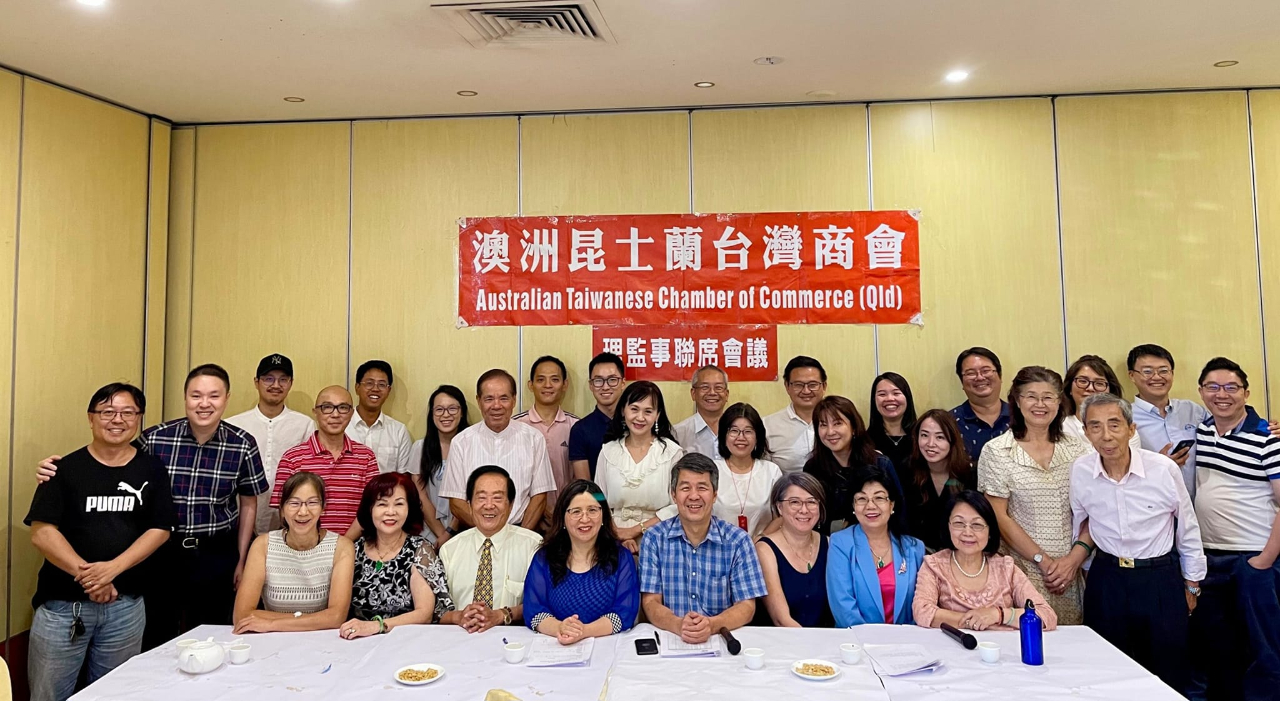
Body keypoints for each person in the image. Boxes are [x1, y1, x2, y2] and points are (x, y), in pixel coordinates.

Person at [38, 364, 269, 648]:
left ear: (226, 398)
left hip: (216, 551)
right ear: (185, 397)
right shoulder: (155, 437)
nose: (204, 404)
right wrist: (55, 469)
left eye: (214, 396)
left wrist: (242, 559)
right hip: (161, 550)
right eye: (196, 395)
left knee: (213, 633)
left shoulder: (242, 443)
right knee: (157, 633)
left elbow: (248, 503)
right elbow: (113, 460)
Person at [26, 383, 174, 701]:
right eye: (107, 412)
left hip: (126, 608)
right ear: (91, 418)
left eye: (127, 412)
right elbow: (42, 532)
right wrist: (92, 577)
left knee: (115, 694)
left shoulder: (153, 469)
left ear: (139, 418)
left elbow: (160, 528)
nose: (117, 419)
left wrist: (112, 570)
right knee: (48, 695)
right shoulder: (62, 470)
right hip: (63, 608)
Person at [1069, 394, 1204, 691]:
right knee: (1108, 669)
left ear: (1131, 429)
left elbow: (1187, 527)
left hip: (1158, 578)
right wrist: (1089, 574)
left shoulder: (1162, 468)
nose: (1106, 435)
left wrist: (1192, 583)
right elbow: (1080, 523)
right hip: (1107, 579)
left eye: (1114, 424)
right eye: (1095, 426)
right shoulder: (1081, 470)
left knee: (1168, 669)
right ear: (1086, 432)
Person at [1189, 357, 1280, 701]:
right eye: (1212, 387)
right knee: (1220, 649)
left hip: (1253, 559)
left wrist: (1264, 560)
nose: (1221, 394)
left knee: (1264, 650)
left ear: (1246, 392)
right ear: (1201, 392)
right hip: (1210, 559)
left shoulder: (1268, 437)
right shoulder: (1203, 430)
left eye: (1231, 387)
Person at [977, 366, 1091, 625]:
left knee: (1073, 642)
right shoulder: (997, 451)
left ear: (1059, 401)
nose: (1040, 404)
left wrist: (1073, 560)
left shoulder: (1079, 451)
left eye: (1048, 397)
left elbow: (1094, 511)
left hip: (1071, 572)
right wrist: (1043, 561)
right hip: (1020, 571)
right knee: (1027, 638)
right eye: (1031, 396)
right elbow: (999, 516)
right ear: (1017, 401)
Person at [640, 454, 767, 643]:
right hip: (671, 638)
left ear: (715, 495)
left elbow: (747, 606)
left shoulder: (738, 541)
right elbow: (650, 602)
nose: (694, 496)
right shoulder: (654, 538)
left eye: (702, 487)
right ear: (673, 495)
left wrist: (711, 625)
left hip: (722, 638)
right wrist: (679, 625)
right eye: (685, 488)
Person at [912, 490, 1058, 631]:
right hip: (954, 644)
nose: (967, 532)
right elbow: (922, 611)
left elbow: (1046, 615)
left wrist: (998, 615)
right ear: (948, 526)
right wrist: (975, 621)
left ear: (990, 531)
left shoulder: (1005, 568)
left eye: (977, 525)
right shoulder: (934, 565)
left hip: (1002, 646)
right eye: (959, 523)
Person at [232, 472, 355, 634]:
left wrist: (271, 623)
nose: (303, 512)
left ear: (323, 508)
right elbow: (242, 615)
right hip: (271, 639)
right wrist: (314, 619)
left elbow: (336, 617)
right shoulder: (263, 545)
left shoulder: (342, 547)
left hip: (320, 638)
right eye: (294, 503)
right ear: (282, 509)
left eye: (312, 503)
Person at [523, 480, 640, 643]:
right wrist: (560, 628)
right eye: (576, 512)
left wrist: (584, 631)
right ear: (563, 518)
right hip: (555, 644)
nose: (585, 519)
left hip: (606, 645)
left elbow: (624, 613)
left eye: (592, 510)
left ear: (603, 515)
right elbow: (533, 609)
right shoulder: (544, 557)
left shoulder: (621, 557)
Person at [340, 473, 454, 639]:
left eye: (399, 504)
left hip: (405, 641)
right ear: (370, 509)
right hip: (356, 640)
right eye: (382, 504)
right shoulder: (353, 551)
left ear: (409, 508)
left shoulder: (419, 550)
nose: (390, 512)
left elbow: (424, 614)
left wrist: (377, 626)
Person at [442, 369, 556, 530]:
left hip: (521, 532)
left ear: (514, 400)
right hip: (475, 533)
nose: (496, 405)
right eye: (489, 399)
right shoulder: (461, 442)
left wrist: (517, 537)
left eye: (504, 398)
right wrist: (487, 531)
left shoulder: (534, 438)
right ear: (478, 401)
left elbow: (539, 496)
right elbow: (456, 501)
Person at [438, 466, 543, 633]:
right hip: (461, 638)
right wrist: (459, 616)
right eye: (481, 498)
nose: (489, 505)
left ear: (511, 505)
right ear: (469, 505)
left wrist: (502, 615)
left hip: (513, 639)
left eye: (497, 498)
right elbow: (436, 609)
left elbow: (544, 602)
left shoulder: (533, 546)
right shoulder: (449, 550)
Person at [270, 386, 379, 538]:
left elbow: (372, 507)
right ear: (315, 412)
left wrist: (344, 544)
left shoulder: (366, 456)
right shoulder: (292, 458)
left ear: (351, 413)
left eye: (343, 408)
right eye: (327, 407)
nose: (335, 414)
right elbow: (283, 511)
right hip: (306, 546)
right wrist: (316, 544)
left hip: (354, 545)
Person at [226, 354, 316, 534]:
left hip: (290, 521)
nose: (276, 385)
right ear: (256, 382)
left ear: (291, 383)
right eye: (269, 379)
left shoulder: (305, 424)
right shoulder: (234, 425)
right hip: (239, 516)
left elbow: (309, 475)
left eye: (283, 379)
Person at [827, 465, 925, 626]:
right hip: (855, 637)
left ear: (892, 505)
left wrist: (904, 637)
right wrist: (870, 639)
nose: (870, 506)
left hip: (906, 638)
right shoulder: (840, 543)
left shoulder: (914, 548)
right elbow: (842, 606)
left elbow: (921, 605)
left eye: (879, 498)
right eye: (862, 499)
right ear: (853, 506)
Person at [595, 381, 684, 553]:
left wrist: (634, 531)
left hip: (659, 537)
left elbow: (678, 505)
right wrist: (615, 532)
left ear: (657, 415)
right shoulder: (608, 451)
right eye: (634, 409)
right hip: (613, 537)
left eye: (648, 411)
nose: (640, 417)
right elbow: (598, 496)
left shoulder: (672, 453)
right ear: (623, 410)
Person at [803, 396, 902, 534]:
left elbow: (899, 511)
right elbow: (810, 515)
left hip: (876, 538)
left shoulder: (879, 463)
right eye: (823, 425)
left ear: (854, 427)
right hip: (828, 541)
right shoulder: (813, 468)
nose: (830, 432)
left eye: (837, 423)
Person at [754, 473, 833, 627]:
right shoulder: (764, 550)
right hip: (784, 638)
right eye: (795, 502)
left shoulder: (831, 545)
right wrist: (810, 642)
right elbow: (781, 619)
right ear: (779, 507)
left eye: (811, 502)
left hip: (827, 637)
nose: (804, 510)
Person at [515, 355, 579, 526]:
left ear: (565, 385)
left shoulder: (577, 427)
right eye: (541, 380)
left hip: (568, 519)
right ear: (530, 385)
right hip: (524, 520)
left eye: (555, 379)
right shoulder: (515, 426)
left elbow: (581, 479)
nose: (548, 385)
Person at [903, 410, 975, 551]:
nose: (931, 444)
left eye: (940, 437)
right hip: (916, 552)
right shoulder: (907, 470)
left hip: (960, 552)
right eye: (924, 435)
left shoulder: (969, 474)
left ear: (952, 440)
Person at [408, 385, 469, 546]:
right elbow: (420, 496)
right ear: (432, 414)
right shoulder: (420, 448)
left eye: (452, 409)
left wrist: (450, 532)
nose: (446, 415)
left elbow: (472, 496)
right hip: (428, 533)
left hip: (465, 530)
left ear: (462, 412)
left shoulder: (472, 446)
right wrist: (441, 534)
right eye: (439, 409)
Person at [712, 402, 782, 538]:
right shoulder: (712, 470)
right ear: (723, 435)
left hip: (761, 546)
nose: (741, 437)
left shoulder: (771, 471)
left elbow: (781, 517)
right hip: (719, 546)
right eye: (734, 431)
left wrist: (760, 540)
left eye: (748, 431)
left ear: (757, 437)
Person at [1061, 354, 1140, 450]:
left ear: (1110, 390)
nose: (1090, 388)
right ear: (1069, 388)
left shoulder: (1126, 429)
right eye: (1083, 381)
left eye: (1099, 383)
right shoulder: (1059, 428)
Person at [346, 360, 412, 474]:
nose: (375, 389)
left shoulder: (398, 431)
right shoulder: (342, 426)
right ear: (357, 388)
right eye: (369, 383)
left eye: (381, 384)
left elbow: (403, 478)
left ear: (388, 390)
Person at [764, 356, 827, 474]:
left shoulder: (839, 422)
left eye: (813, 384)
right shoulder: (767, 426)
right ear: (787, 386)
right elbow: (765, 473)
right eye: (798, 385)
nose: (806, 391)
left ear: (824, 386)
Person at [569, 352, 626, 480]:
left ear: (623, 383)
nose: (605, 387)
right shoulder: (580, 430)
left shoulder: (636, 424)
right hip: (597, 493)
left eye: (612, 380)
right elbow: (585, 484)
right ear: (591, 385)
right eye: (598, 381)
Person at [950, 347, 1011, 465]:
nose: (979, 377)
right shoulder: (949, 423)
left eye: (986, 371)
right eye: (970, 373)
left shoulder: (1022, 417)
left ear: (1000, 376)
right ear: (962, 382)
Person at [867, 372, 917, 477]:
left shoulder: (921, 437)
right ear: (874, 400)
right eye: (882, 394)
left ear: (907, 397)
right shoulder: (866, 441)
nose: (890, 398)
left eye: (896, 393)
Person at [673, 365, 730, 459]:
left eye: (718, 387)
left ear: (726, 394)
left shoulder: (739, 431)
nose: (712, 393)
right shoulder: (678, 433)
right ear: (693, 394)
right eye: (705, 387)